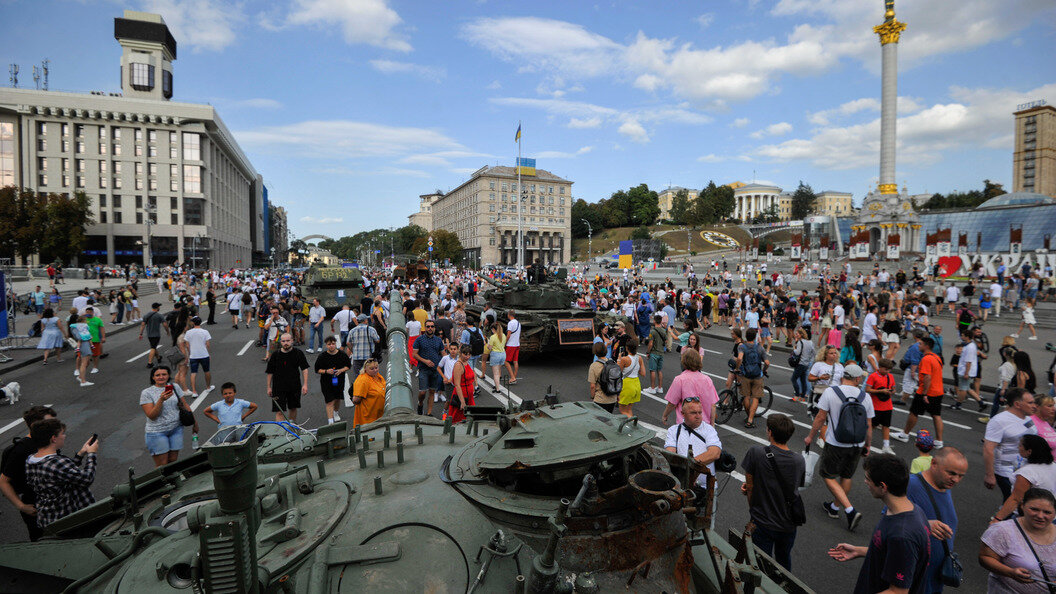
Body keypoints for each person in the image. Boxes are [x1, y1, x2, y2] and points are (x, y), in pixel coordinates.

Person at [827, 454, 931, 593]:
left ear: (882, 486)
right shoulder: (910, 509)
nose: (865, 482)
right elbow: (893, 554)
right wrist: (859, 551)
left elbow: (897, 592)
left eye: (868, 479)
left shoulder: (902, 535)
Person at [804, 363, 874, 531]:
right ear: (858, 379)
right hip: (856, 443)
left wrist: (810, 436)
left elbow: (820, 418)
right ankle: (834, 507)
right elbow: (868, 425)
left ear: (844, 376)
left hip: (836, 442)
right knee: (846, 476)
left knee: (827, 475)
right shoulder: (866, 397)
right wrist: (867, 445)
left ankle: (849, 510)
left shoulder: (831, 392)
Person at [740, 414, 805, 571]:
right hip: (788, 524)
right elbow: (796, 486)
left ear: (769, 432)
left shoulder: (756, 453)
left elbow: (750, 488)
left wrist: (754, 508)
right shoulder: (799, 460)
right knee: (783, 562)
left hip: (763, 520)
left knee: (760, 564)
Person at [906, 447, 969, 594]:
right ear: (933, 463)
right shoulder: (911, 485)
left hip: (934, 578)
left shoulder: (944, 486)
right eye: (951, 473)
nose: (956, 480)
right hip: (913, 575)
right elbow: (889, 521)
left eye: (961, 476)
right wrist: (925, 524)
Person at [24, 418, 99, 531]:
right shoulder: (56, 462)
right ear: (53, 438)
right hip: (69, 520)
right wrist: (91, 454)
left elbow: (62, 474)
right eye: (62, 434)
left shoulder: (31, 460)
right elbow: (87, 479)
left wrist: (81, 453)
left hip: (48, 518)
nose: (64, 436)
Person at [980, 487, 1056, 592]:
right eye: (1034, 509)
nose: (1040, 516)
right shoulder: (1002, 530)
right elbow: (985, 557)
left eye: (1047, 512)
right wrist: (1010, 572)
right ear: (1022, 506)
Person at [0, 405, 57, 540]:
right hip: (36, 508)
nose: (55, 426)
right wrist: (21, 506)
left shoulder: (48, 441)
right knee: (44, 541)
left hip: (55, 503)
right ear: (34, 425)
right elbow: (3, 481)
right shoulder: (21, 450)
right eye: (50, 423)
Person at [892, 336, 946, 448]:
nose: (918, 345)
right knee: (936, 415)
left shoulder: (926, 359)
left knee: (914, 412)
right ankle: (939, 441)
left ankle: (904, 435)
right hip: (938, 391)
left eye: (920, 344)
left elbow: (927, 377)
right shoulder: (937, 357)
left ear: (926, 346)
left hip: (926, 392)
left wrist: (925, 394)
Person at [140, 366, 197, 467]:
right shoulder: (146, 393)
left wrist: (195, 423)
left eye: (164, 374)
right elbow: (151, 415)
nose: (161, 377)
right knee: (162, 464)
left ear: (168, 376)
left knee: (173, 460)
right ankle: (162, 483)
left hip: (176, 429)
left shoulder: (175, 387)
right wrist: (161, 400)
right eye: (157, 375)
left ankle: (171, 482)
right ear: (153, 377)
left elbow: (184, 404)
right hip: (157, 432)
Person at [664, 399, 722, 487]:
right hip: (682, 485)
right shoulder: (673, 430)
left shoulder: (709, 430)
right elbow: (670, 455)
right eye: (693, 413)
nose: (698, 416)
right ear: (683, 414)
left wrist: (690, 468)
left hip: (706, 487)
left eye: (700, 412)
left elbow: (715, 453)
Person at [662, 348, 719, 425]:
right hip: (704, 424)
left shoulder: (679, 379)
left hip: (686, 424)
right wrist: (712, 425)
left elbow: (672, 403)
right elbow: (713, 405)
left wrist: (665, 415)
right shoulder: (707, 379)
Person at [265, 333, 310, 422]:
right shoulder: (275, 355)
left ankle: (291, 428)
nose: (286, 343)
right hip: (278, 387)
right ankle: (281, 431)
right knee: (279, 411)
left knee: (293, 408)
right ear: (281, 342)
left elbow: (304, 369)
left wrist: (305, 385)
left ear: (292, 341)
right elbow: (270, 372)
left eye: (288, 341)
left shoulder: (298, 353)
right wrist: (269, 387)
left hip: (294, 386)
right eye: (283, 341)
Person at [736, 328, 770, 429]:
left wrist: (737, 368)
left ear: (746, 336)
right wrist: (764, 370)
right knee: (756, 397)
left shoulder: (742, 347)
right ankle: (750, 420)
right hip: (757, 375)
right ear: (755, 337)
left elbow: (739, 358)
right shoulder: (760, 348)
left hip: (746, 375)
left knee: (746, 396)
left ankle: (748, 415)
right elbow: (767, 362)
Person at [314, 336, 351, 424]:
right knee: (329, 401)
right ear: (326, 345)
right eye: (329, 344)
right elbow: (317, 370)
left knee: (337, 399)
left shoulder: (342, 354)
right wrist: (326, 371)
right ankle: (330, 422)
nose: (331, 346)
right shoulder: (322, 356)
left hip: (339, 381)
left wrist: (340, 370)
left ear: (336, 344)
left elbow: (348, 366)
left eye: (333, 344)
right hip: (326, 382)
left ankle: (336, 412)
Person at [413, 320, 446, 416]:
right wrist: (425, 361)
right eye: (428, 326)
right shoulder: (419, 340)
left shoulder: (438, 340)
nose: (430, 328)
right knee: (423, 392)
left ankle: (429, 413)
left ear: (434, 328)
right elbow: (414, 354)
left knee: (432, 391)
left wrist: (452, 360)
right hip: (423, 369)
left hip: (435, 370)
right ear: (425, 327)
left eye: (432, 326)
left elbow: (443, 354)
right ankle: (420, 403)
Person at [865, 358, 897, 454]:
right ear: (880, 368)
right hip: (875, 406)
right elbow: (867, 389)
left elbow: (894, 387)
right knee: (872, 425)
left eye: (889, 370)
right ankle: (863, 440)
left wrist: (893, 391)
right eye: (886, 369)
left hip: (887, 406)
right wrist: (881, 391)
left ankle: (886, 446)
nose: (888, 371)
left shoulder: (890, 376)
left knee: (886, 426)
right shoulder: (873, 376)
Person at [183, 317, 213, 398]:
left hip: (193, 355)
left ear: (193, 323)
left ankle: (194, 391)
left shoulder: (188, 332)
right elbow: (208, 344)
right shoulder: (205, 332)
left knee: (193, 373)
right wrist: (208, 353)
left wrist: (190, 353)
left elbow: (187, 345)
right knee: (206, 371)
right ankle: (208, 387)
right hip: (204, 354)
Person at [352, 358, 386, 426]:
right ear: (365, 369)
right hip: (368, 416)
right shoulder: (363, 380)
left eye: (376, 368)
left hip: (379, 415)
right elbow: (356, 400)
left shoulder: (378, 376)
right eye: (372, 369)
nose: (375, 370)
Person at [617, 337, 645, 418]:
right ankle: (632, 425)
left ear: (627, 348)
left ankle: (632, 423)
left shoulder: (624, 359)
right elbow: (643, 373)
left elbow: (618, 372)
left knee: (622, 410)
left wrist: (619, 360)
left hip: (627, 385)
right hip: (636, 384)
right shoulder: (639, 358)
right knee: (629, 409)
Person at [449, 346, 476, 424]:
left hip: (469, 396)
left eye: (469, 354)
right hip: (462, 397)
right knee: (458, 420)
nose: (468, 357)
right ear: (460, 353)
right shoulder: (458, 365)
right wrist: (462, 402)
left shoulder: (466, 362)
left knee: (470, 419)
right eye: (465, 354)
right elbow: (457, 385)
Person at [587, 343, 617, 413]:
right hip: (612, 398)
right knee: (609, 419)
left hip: (600, 399)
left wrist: (592, 397)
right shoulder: (612, 362)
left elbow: (592, 386)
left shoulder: (594, 366)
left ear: (595, 352)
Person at [643, 314, 667, 395]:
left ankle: (652, 388)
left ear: (654, 321)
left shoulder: (652, 331)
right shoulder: (664, 330)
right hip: (661, 353)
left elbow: (650, 343)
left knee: (652, 370)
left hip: (654, 353)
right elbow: (666, 341)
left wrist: (647, 352)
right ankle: (660, 387)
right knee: (659, 370)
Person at [790, 327, 816, 402]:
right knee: (803, 380)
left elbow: (797, 352)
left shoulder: (800, 342)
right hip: (806, 364)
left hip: (800, 363)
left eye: (797, 334)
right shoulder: (810, 342)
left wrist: (794, 348)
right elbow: (813, 352)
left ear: (801, 335)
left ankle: (797, 395)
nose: (796, 335)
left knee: (793, 379)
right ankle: (803, 397)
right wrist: (810, 360)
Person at [138, 303, 167, 368]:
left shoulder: (146, 315)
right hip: (156, 334)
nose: (159, 308)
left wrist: (141, 334)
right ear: (157, 308)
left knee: (154, 346)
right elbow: (165, 324)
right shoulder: (159, 315)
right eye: (159, 307)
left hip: (149, 334)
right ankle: (150, 363)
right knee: (153, 347)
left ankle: (158, 358)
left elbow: (143, 325)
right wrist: (167, 331)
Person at [486, 321, 508, 392]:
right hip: (503, 354)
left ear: (493, 329)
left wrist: (487, 343)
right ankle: (497, 385)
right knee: (498, 371)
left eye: (492, 330)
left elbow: (489, 348)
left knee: (495, 373)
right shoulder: (503, 335)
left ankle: (497, 388)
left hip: (495, 355)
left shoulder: (493, 337)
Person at [84, 306, 105, 375]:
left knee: (95, 355)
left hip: (95, 339)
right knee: (85, 355)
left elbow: (102, 328)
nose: (88, 313)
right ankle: (83, 367)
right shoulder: (83, 319)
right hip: (85, 340)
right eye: (87, 312)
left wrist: (103, 337)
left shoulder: (98, 320)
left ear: (93, 312)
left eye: (89, 312)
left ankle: (95, 367)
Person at [506, 310, 522, 384]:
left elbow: (508, 335)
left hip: (511, 344)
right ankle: (514, 377)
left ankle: (512, 377)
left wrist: (504, 342)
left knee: (506, 361)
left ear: (509, 315)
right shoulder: (518, 323)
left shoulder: (510, 323)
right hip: (517, 344)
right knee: (515, 361)